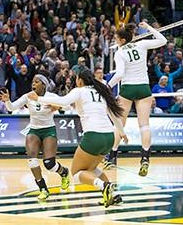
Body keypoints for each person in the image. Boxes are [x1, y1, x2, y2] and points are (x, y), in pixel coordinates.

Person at [27, 68, 128, 207]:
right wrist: (122, 132)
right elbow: (113, 113)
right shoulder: (101, 91)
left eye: (76, 79)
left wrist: (39, 98)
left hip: (94, 136)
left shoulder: (79, 91)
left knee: (76, 173)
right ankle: (114, 194)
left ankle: (103, 186)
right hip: (109, 136)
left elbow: (63, 101)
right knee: (91, 168)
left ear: (80, 80)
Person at [105, 22, 167, 176]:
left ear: (122, 40)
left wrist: (108, 85)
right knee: (144, 125)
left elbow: (119, 75)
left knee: (119, 123)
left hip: (128, 88)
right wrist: (148, 28)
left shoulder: (120, 52)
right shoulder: (142, 44)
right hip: (144, 88)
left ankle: (112, 156)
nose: (115, 40)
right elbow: (163, 40)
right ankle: (145, 158)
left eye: (116, 38)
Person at [0, 71, 70, 201]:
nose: (33, 84)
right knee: (32, 159)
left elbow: (67, 106)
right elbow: (11, 108)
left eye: (36, 82)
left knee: (49, 163)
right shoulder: (28, 96)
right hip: (34, 130)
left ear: (44, 84)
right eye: (33, 82)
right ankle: (43, 188)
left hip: (48, 130)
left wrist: (57, 106)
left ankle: (64, 172)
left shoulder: (51, 96)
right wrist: (7, 101)